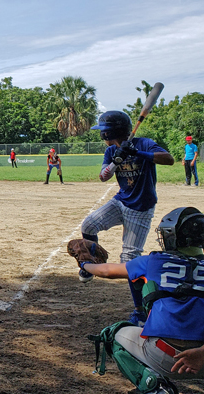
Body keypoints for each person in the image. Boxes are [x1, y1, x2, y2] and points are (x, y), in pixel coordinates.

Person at [79, 207, 204, 394]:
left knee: (114, 333)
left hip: (166, 357)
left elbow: (106, 270)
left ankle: (154, 388)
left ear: (172, 236)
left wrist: (85, 264)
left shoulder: (153, 261)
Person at [79, 111, 174, 324]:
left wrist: (138, 153)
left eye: (103, 132)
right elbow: (104, 177)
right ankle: (94, 261)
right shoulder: (112, 150)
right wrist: (115, 161)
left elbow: (169, 159)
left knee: (129, 259)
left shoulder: (145, 144)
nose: (102, 136)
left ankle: (140, 311)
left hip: (140, 208)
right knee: (89, 225)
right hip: (120, 201)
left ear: (110, 133)